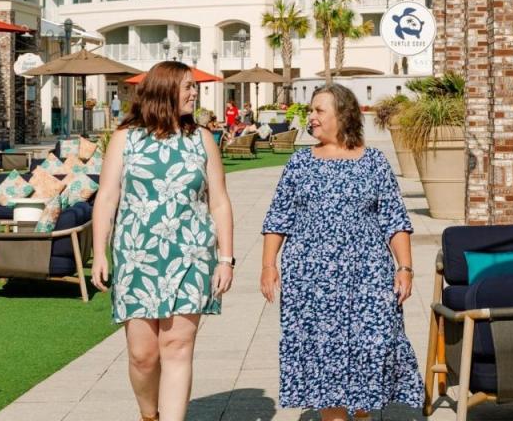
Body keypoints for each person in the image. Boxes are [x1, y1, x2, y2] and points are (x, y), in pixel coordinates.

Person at [260, 83, 423, 417]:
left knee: (370, 348)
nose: (312, 117)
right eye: (311, 110)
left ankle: (361, 413)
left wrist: (404, 267)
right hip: (311, 281)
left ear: (343, 115)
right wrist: (268, 264)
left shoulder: (374, 163)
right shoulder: (299, 164)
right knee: (323, 356)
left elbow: (394, 219)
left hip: (367, 277)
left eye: (319, 110)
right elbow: (278, 217)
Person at [91, 61, 235, 421]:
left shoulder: (202, 139)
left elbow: (218, 201)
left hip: (191, 254)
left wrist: (226, 258)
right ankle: (149, 414)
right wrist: (99, 252)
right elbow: (107, 197)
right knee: (143, 355)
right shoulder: (125, 138)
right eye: (186, 87)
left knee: (177, 347)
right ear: (163, 90)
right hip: (136, 255)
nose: (194, 93)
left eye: (194, 87)